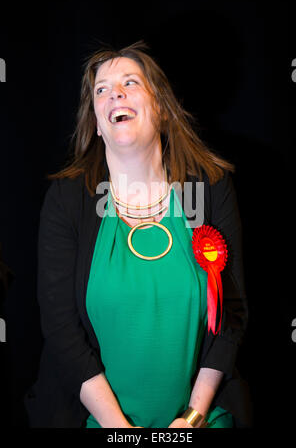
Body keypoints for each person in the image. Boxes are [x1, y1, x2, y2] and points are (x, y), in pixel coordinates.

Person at [24, 41, 251, 428]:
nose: (115, 93)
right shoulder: (68, 200)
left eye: (131, 83)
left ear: (161, 108)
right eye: (102, 89)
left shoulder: (210, 188)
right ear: (96, 123)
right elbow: (61, 330)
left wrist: (193, 418)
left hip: (199, 419)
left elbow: (233, 314)